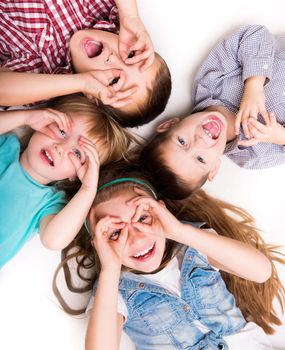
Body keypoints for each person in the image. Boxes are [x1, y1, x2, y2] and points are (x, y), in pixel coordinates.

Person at [53, 161, 285, 349]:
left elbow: (260, 271)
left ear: (161, 211)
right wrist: (111, 268)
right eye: (115, 232)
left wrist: (179, 231)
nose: (136, 238)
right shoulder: (113, 290)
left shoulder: (192, 243)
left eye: (143, 218)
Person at [139, 24, 285, 198]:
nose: (199, 142)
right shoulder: (252, 155)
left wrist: (254, 85)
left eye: (182, 141)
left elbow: (256, 34)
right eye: (200, 159)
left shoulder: (210, 83)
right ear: (214, 168)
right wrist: (279, 136)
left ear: (170, 124)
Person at [0, 94, 136, 268]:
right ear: (42, 123)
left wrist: (88, 188)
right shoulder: (6, 146)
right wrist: (26, 116)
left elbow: (53, 241)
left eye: (78, 153)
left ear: (77, 174)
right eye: (62, 131)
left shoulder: (49, 202)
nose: (60, 148)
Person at [0, 0, 171, 127]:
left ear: (93, 95)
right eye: (131, 55)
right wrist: (130, 16)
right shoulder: (108, 9)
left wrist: (82, 82)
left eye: (114, 80)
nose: (113, 58)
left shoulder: (45, 77)